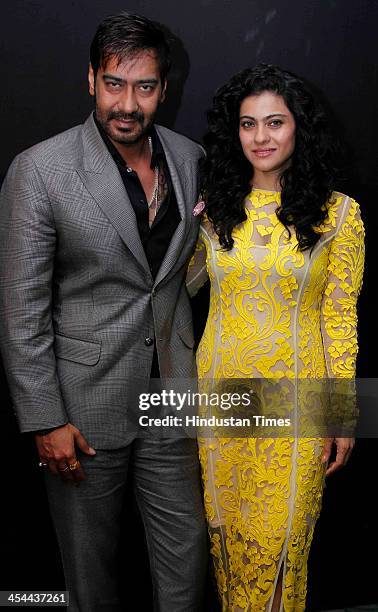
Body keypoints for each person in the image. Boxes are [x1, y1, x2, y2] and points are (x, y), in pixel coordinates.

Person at [0, 12, 207, 612]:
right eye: (115, 83)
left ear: (163, 90)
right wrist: (44, 419)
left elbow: (176, 276)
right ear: (91, 79)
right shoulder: (40, 170)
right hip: (82, 410)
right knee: (90, 578)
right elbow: (21, 310)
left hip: (172, 395)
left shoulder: (190, 158)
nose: (128, 102)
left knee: (186, 558)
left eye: (144, 86)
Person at [187, 64, 365, 611]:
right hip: (220, 399)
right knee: (227, 542)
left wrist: (344, 415)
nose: (260, 138)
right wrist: (186, 227)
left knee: (283, 543)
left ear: (298, 129)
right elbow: (180, 285)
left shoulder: (340, 215)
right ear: (233, 131)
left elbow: (340, 320)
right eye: (247, 124)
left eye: (274, 123)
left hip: (297, 405)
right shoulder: (214, 210)